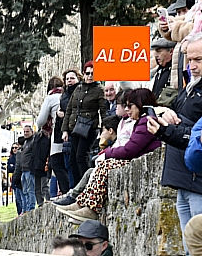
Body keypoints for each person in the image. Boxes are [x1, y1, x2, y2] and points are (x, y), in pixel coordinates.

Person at [148, 31, 202, 233]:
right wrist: (165, 113)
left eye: (198, 59)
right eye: (189, 59)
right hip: (184, 180)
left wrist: (165, 130)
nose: (192, 65)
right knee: (191, 245)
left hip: (201, 182)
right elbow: (180, 119)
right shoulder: (191, 86)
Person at [59, 88, 163, 222]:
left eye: (130, 106)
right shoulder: (141, 121)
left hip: (138, 159)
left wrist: (107, 154)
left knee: (105, 166)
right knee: (102, 166)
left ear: (140, 105)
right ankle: (82, 203)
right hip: (136, 158)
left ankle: (91, 209)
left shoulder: (145, 122)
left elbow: (129, 150)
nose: (127, 109)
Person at [62, 62, 106, 183]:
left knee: (81, 157)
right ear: (83, 74)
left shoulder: (99, 90)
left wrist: (105, 128)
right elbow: (69, 110)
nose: (90, 76)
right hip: (75, 127)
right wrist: (65, 130)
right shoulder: (78, 88)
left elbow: (103, 111)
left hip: (89, 127)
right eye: (88, 73)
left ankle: (88, 184)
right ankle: (78, 186)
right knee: (73, 160)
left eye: (93, 73)